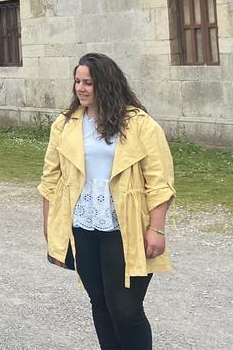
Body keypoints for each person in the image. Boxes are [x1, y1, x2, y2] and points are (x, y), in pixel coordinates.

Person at [39, 53, 175, 350]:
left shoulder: (139, 124)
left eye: (89, 82)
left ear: (107, 84)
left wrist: (157, 228)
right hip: (82, 223)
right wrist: (50, 226)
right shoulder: (64, 124)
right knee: (99, 301)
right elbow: (50, 178)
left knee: (125, 308)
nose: (81, 88)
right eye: (77, 81)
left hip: (125, 224)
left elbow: (160, 181)